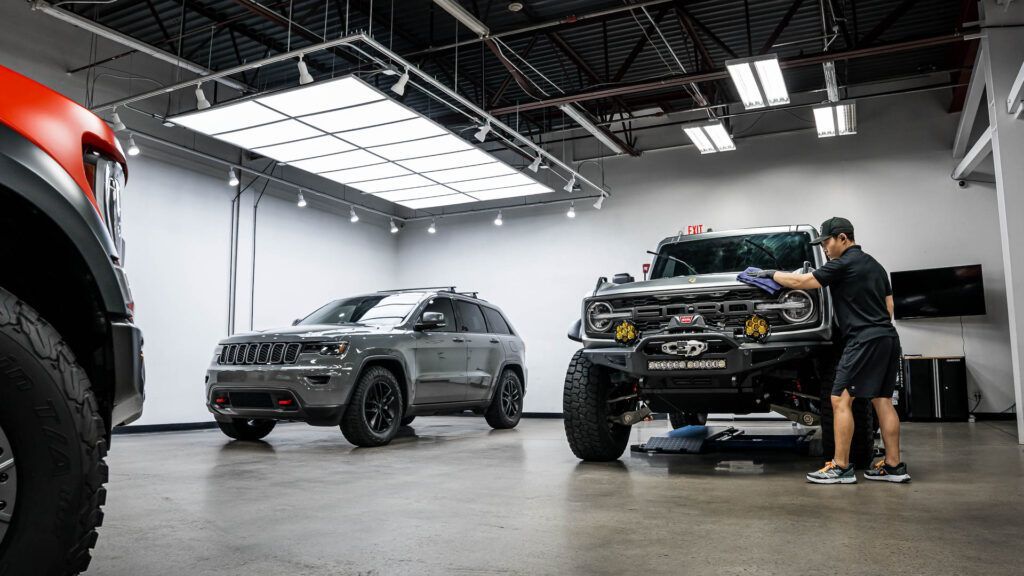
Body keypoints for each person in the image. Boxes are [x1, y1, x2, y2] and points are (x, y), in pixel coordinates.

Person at [752, 217, 910, 484]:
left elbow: (803, 282)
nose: (825, 249)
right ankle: (894, 465)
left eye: (826, 242)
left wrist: (770, 274)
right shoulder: (875, 265)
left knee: (839, 399)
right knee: (882, 400)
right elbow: (889, 307)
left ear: (843, 238)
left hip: (863, 339)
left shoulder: (843, 264)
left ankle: (840, 467)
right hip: (887, 337)